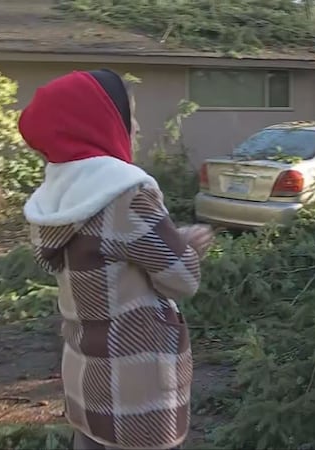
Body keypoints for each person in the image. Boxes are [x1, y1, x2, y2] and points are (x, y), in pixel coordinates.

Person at [18, 69, 214, 450]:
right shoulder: (125, 192)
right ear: (101, 122)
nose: (136, 127)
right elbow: (182, 278)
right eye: (130, 116)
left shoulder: (58, 196)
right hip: (136, 380)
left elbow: (110, 256)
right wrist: (186, 247)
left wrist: (171, 239)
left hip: (86, 371)